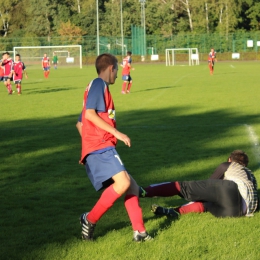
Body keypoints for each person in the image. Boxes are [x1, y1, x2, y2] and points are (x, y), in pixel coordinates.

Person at [76, 53, 152, 242]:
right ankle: (89, 219)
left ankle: (140, 232)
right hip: (101, 146)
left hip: (99, 146)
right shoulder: (98, 84)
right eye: (117, 69)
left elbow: (80, 123)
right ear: (111, 67)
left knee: (132, 187)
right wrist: (115, 135)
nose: (117, 74)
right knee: (124, 183)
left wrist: (88, 143)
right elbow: (89, 116)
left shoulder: (97, 88)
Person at [139, 150, 259, 219]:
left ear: (229, 159)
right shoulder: (251, 175)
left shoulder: (228, 165)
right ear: (245, 165)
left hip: (231, 191)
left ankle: (143, 191)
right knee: (207, 204)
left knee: (184, 187)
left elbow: (209, 184)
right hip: (238, 212)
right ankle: (175, 212)